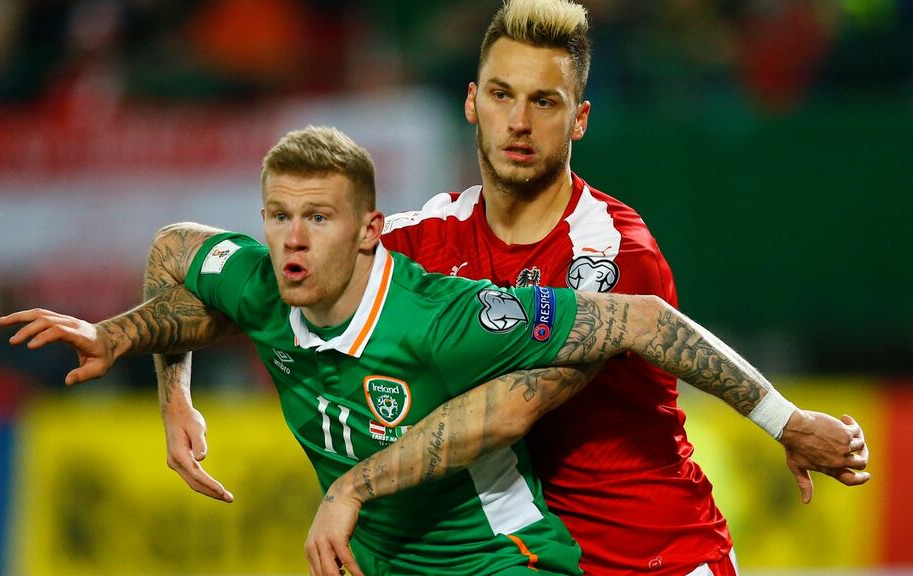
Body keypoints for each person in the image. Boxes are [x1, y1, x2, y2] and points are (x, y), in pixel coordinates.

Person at [136, 1, 869, 575]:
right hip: (516, 559)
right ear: (471, 103)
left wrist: (783, 420)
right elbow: (263, 295)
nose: (518, 122)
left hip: (653, 556)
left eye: (544, 102)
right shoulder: (424, 236)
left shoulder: (608, 252)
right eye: (501, 94)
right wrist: (174, 393)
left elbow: (513, 409)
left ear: (580, 118)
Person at [1, 126, 839, 576]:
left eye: (318, 218)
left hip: (498, 561)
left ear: (370, 230)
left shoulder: (447, 319)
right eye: (278, 216)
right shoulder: (262, 283)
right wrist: (156, 380)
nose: (292, 239)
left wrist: (784, 419)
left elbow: (643, 319)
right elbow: (173, 250)